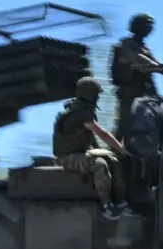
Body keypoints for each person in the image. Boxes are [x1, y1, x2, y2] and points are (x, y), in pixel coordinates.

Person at [53, 76, 136, 220]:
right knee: (100, 164)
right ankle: (107, 207)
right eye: (96, 94)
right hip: (67, 157)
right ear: (89, 94)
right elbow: (102, 134)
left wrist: (111, 152)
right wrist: (121, 149)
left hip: (79, 152)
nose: (97, 97)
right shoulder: (80, 113)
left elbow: (90, 138)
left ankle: (121, 203)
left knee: (113, 160)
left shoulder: (83, 110)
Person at [110, 13, 161, 140]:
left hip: (144, 92)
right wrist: (158, 67)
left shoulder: (143, 47)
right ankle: (116, 151)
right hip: (130, 91)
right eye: (146, 25)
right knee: (126, 123)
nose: (149, 28)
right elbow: (138, 59)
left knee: (147, 123)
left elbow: (154, 65)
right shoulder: (127, 44)